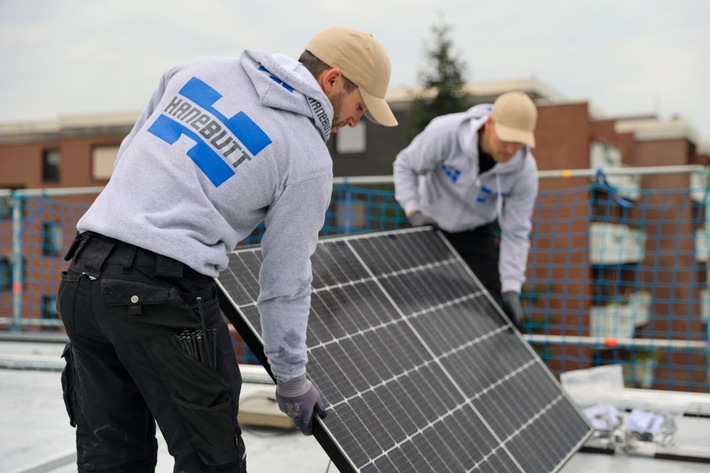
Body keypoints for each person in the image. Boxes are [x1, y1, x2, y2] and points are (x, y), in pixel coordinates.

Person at [56, 26, 397, 473]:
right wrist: (291, 378)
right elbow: (285, 280)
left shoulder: (196, 71)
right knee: (212, 462)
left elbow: (130, 153)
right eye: (359, 107)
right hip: (162, 296)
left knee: (112, 458)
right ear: (332, 80)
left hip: (82, 278)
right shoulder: (308, 158)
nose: (355, 121)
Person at [393, 91, 538, 331]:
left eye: (519, 143)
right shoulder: (446, 133)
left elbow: (516, 232)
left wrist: (512, 289)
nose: (511, 150)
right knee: (409, 297)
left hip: (475, 233)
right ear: (490, 124)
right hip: (429, 226)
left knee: (488, 306)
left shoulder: (524, 172)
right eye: (506, 140)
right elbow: (405, 165)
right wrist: (413, 211)